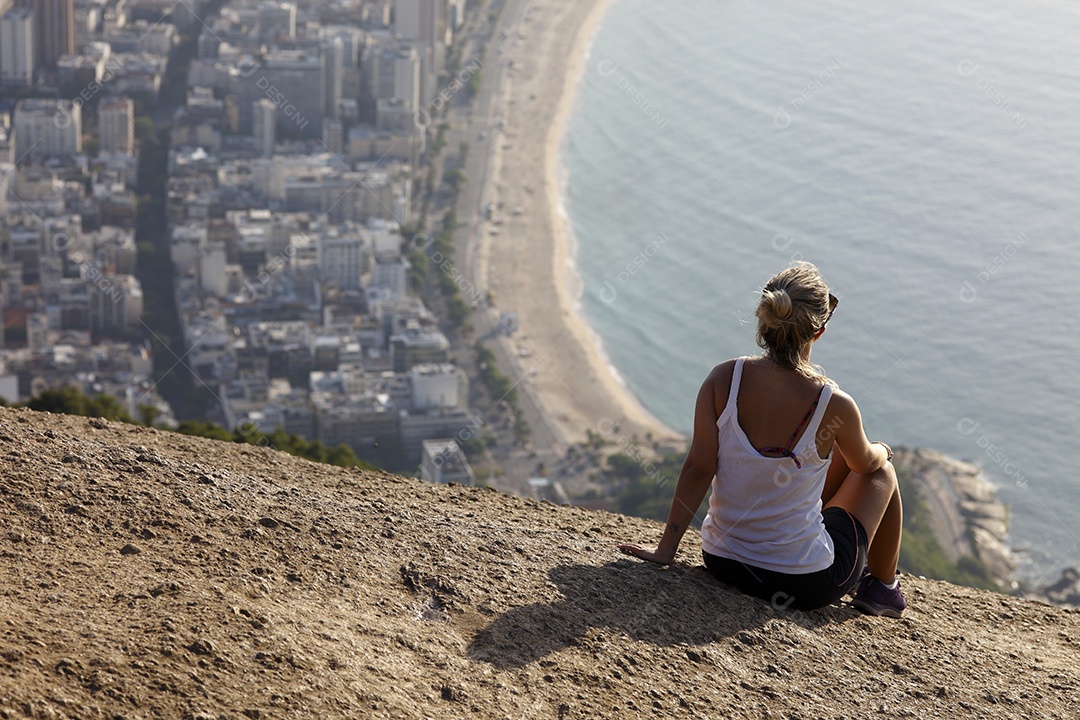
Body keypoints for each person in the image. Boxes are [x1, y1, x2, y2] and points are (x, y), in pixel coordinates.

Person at [618, 261, 905, 616]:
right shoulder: (834, 405)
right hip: (803, 582)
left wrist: (666, 551)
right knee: (881, 473)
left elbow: (698, 468)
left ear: (764, 318)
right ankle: (882, 590)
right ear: (818, 332)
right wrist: (883, 450)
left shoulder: (724, 379)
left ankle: (876, 584)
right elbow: (865, 464)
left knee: (835, 461)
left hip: (723, 561)